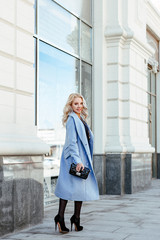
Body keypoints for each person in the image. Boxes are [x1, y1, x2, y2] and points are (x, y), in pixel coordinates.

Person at [54, 93, 99, 233]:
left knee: (80, 189)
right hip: (74, 160)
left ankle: (76, 218)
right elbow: (72, 142)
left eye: (80, 103)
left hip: (82, 159)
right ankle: (60, 217)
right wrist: (78, 161)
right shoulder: (72, 120)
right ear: (70, 105)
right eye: (75, 104)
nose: (79, 106)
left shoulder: (81, 119)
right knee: (68, 188)